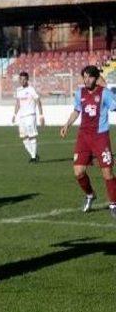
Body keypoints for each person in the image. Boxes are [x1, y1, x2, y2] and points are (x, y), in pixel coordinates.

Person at [60, 65, 116, 218]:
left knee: (107, 172)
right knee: (78, 172)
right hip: (83, 137)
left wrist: (106, 86)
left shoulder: (105, 93)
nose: (86, 80)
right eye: (84, 77)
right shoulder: (80, 93)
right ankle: (90, 195)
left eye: (90, 76)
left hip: (100, 137)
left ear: (96, 78)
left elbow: (115, 106)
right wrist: (67, 124)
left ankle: (113, 204)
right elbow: (77, 110)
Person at [12, 72, 44, 162]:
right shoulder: (18, 90)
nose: (22, 81)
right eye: (20, 79)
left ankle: (33, 158)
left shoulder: (31, 89)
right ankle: (33, 155)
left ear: (27, 80)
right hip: (22, 117)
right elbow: (18, 103)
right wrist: (14, 115)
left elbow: (38, 101)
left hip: (30, 115)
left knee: (32, 136)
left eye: (24, 79)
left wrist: (41, 115)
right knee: (24, 137)